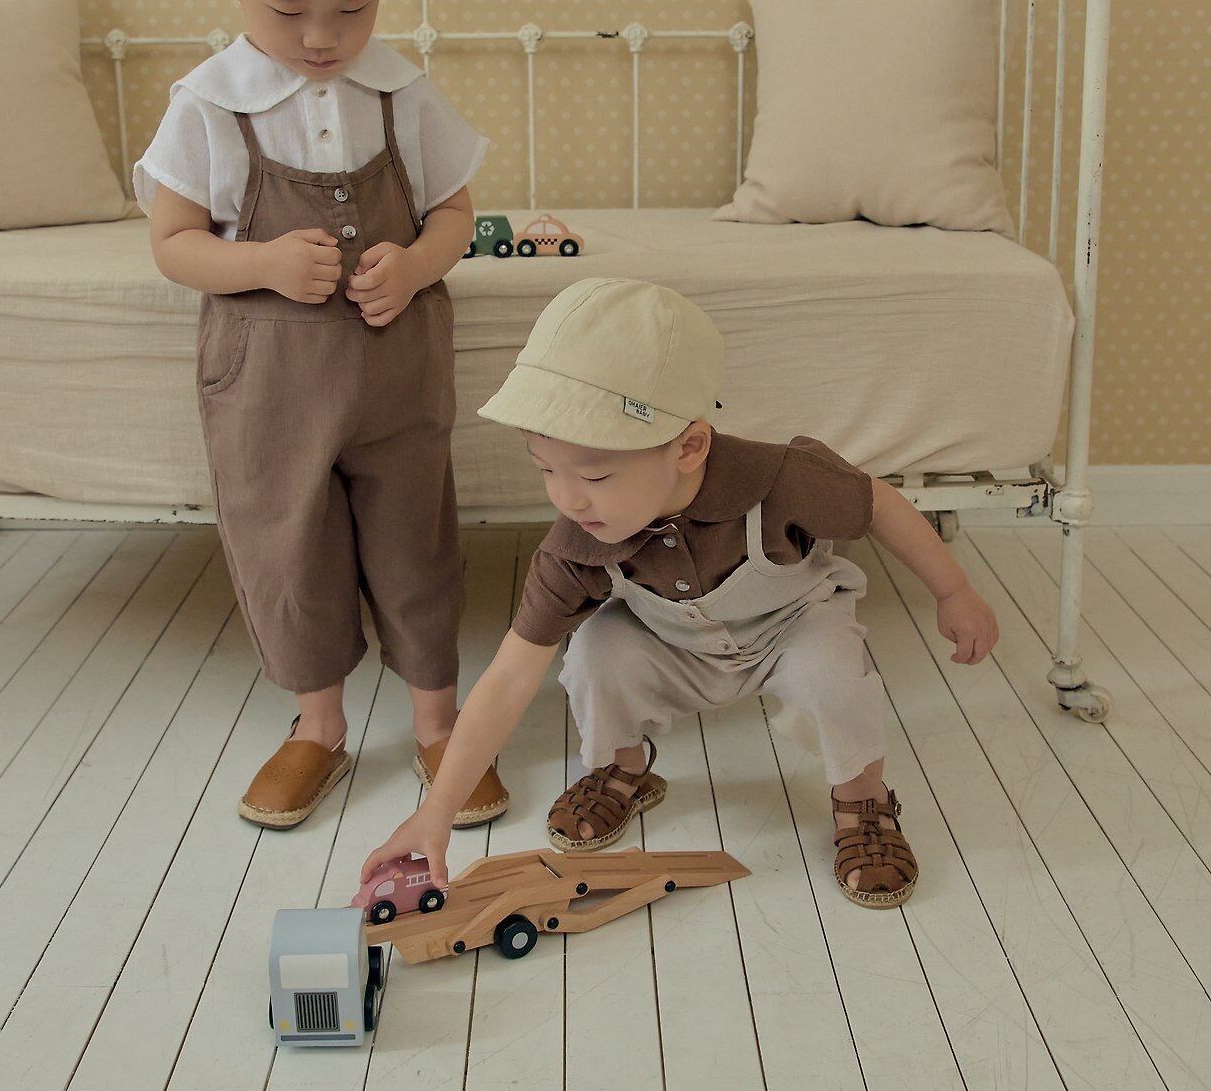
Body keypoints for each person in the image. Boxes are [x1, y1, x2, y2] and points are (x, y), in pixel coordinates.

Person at [359, 276, 1000, 907]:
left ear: (689, 447)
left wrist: (954, 591)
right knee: (594, 655)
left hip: (790, 630)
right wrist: (435, 813)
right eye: (546, 468)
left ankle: (862, 801)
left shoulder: (780, 478)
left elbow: (878, 503)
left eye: (595, 475)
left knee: (833, 673)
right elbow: (506, 678)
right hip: (669, 644)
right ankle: (623, 768)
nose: (567, 498)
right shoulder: (576, 546)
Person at [133, 0, 507, 829]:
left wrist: (418, 261)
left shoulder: (401, 93)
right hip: (271, 385)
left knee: (415, 541)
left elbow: (455, 212)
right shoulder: (209, 105)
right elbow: (173, 243)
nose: (321, 37)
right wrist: (257, 262)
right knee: (287, 547)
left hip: (394, 375)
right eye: (289, 8)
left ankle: (438, 723)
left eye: (352, 7)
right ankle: (319, 725)